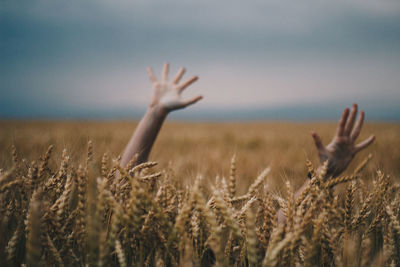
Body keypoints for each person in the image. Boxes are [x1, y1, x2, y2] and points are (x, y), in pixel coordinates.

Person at [120, 63, 375, 222]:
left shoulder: (230, 251)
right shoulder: (171, 241)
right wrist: (154, 114)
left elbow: (276, 234)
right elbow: (122, 198)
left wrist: (325, 174)